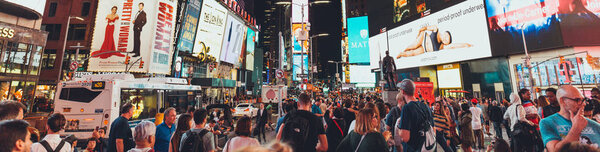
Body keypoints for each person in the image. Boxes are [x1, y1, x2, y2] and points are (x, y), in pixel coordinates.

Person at [541, 85, 600, 152]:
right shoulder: (547, 123)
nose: (583, 104)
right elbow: (554, 150)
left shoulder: (595, 125)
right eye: (577, 100)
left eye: (583, 100)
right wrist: (576, 129)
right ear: (563, 101)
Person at [396, 79, 435, 151]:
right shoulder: (424, 105)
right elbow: (433, 129)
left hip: (414, 148)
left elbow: (405, 137)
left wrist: (398, 127)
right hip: (429, 147)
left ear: (403, 91)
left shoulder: (407, 108)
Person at [397, 25, 472, 58]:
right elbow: (424, 28)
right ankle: (404, 49)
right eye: (446, 36)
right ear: (445, 32)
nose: (445, 39)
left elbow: (453, 46)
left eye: (446, 41)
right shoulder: (436, 29)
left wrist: (465, 45)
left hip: (424, 49)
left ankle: (401, 54)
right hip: (423, 38)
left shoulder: (442, 46)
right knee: (413, 45)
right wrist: (419, 33)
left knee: (413, 53)